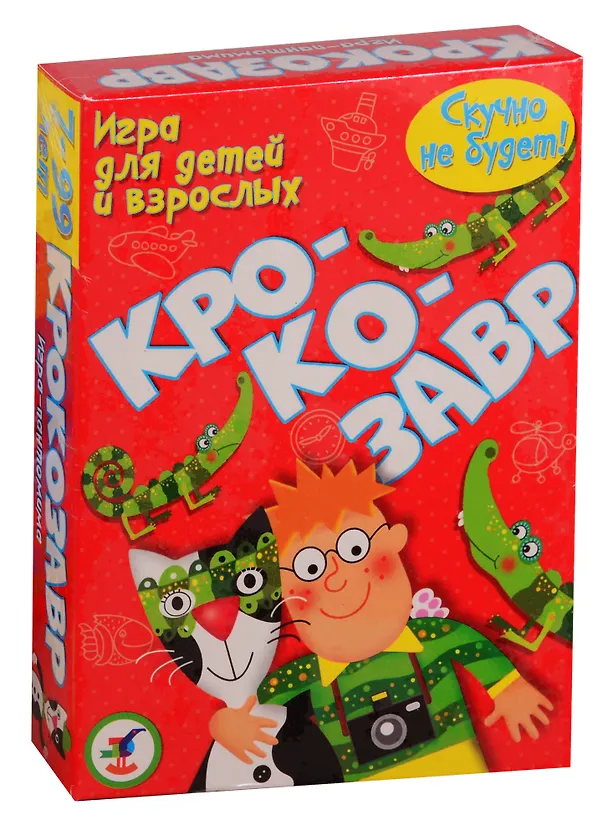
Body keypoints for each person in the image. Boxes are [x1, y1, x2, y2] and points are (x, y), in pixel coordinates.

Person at [208, 460, 553, 782]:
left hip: (456, 767)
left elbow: (470, 645)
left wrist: (509, 687)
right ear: (284, 593)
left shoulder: (432, 637)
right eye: (311, 569)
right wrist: (226, 724)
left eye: (354, 550)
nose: (336, 579)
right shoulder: (306, 677)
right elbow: (251, 705)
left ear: (393, 541)